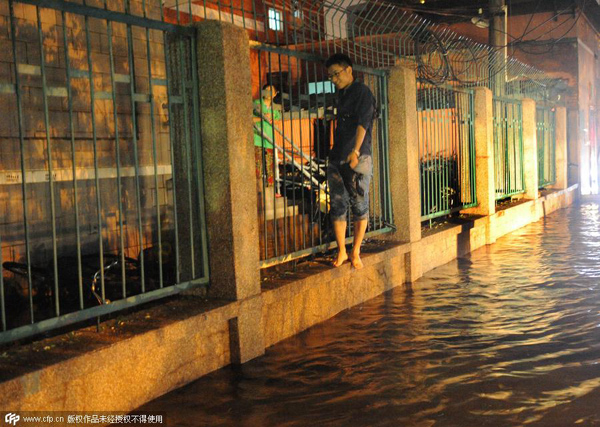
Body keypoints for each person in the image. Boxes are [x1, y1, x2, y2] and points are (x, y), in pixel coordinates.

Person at [325, 53, 375, 270]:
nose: (334, 80)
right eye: (331, 77)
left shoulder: (362, 92)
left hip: (358, 157)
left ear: (348, 70)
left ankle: (355, 251)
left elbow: (363, 123)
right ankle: (342, 250)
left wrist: (355, 151)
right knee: (337, 203)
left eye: (336, 74)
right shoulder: (341, 95)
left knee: (358, 204)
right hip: (337, 156)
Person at [253, 84, 281, 190]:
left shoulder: (275, 107)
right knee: (258, 167)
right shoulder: (256, 103)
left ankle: (271, 190)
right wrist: (262, 118)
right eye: (266, 90)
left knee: (270, 167)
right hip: (257, 139)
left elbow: (277, 121)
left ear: (274, 94)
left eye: (270, 90)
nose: (268, 92)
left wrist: (272, 119)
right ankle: (258, 189)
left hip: (269, 140)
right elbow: (249, 118)